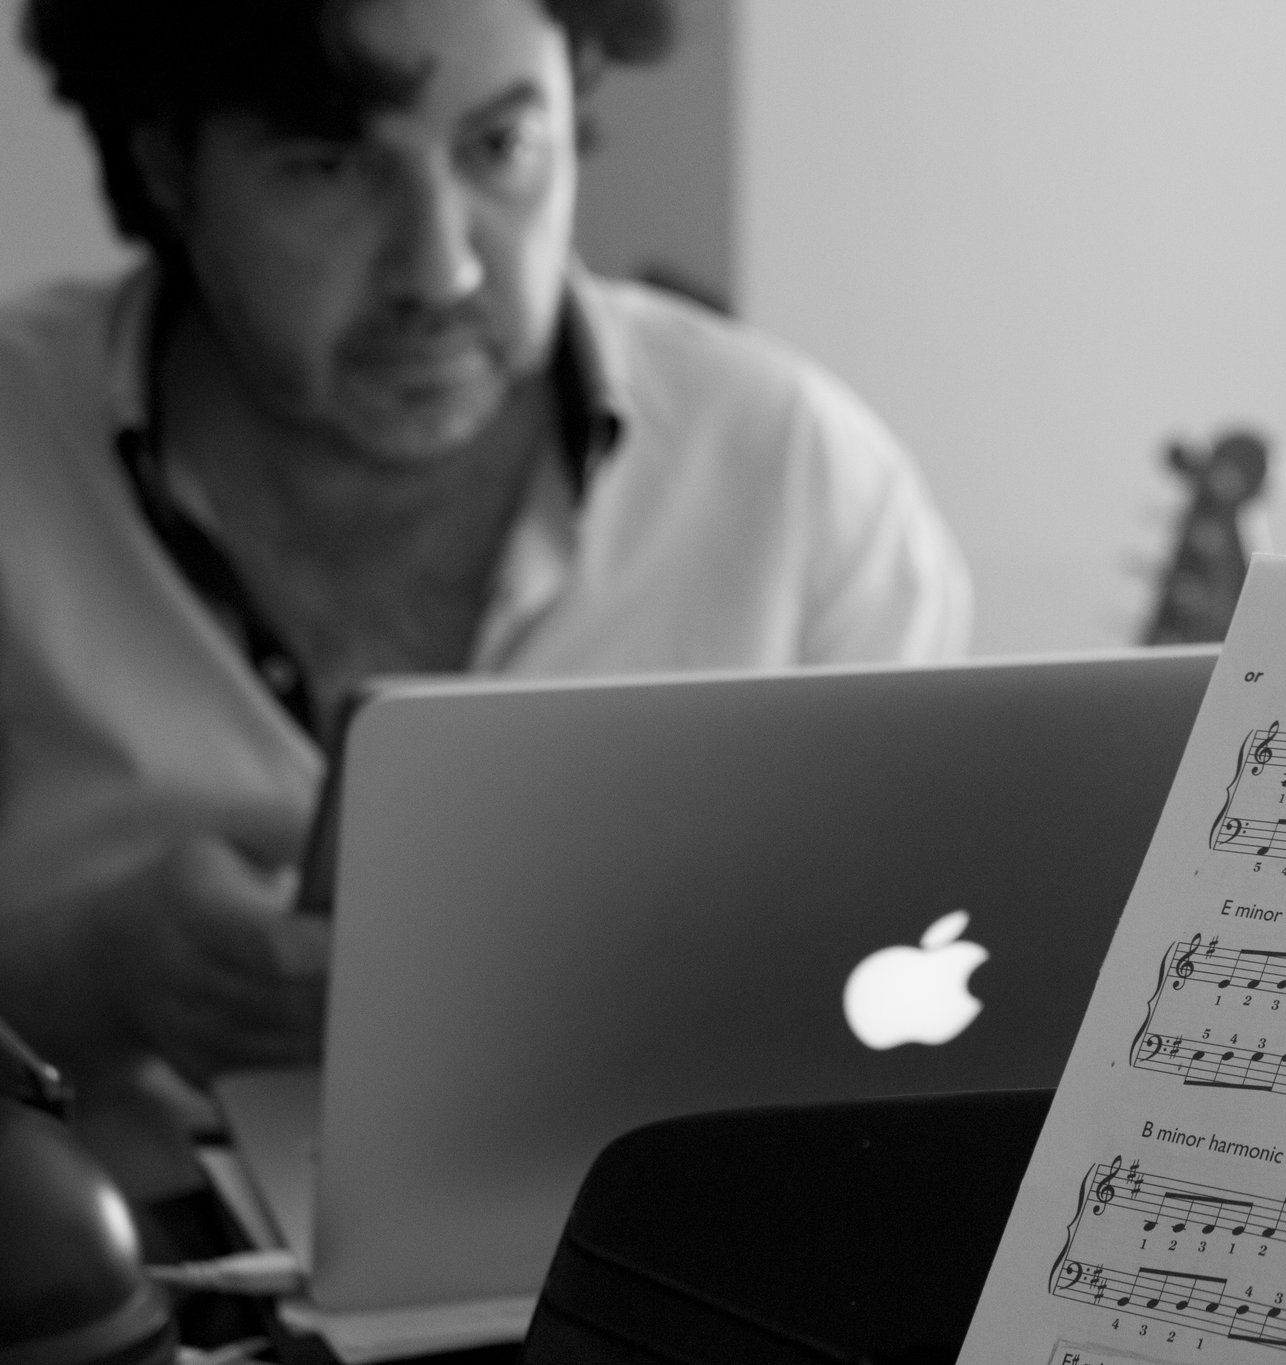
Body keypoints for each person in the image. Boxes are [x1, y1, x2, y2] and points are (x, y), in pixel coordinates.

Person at [0, 0, 970, 1218]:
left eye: (501, 147)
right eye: (328, 167)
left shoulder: (795, 475)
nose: (440, 270)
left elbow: (941, 977)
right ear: (167, 167)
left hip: (665, 1265)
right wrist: (81, 973)